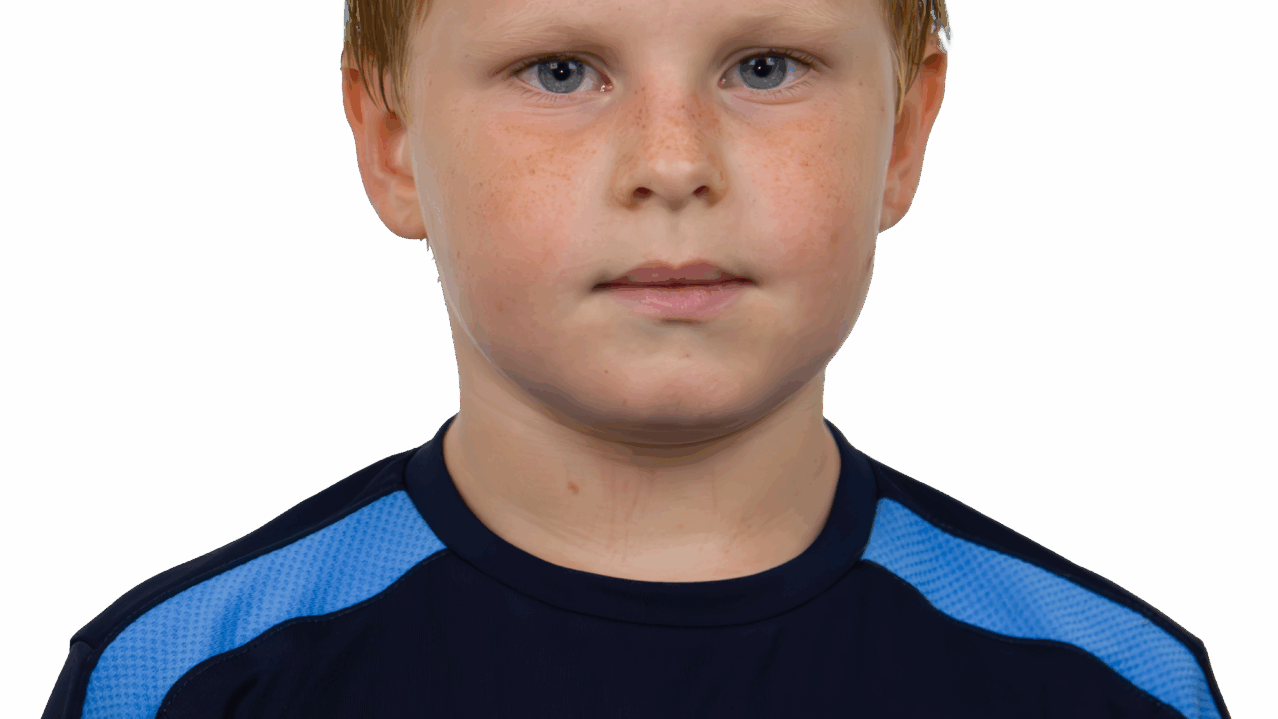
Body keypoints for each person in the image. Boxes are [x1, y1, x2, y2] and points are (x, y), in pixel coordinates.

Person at [42, 1, 1231, 717]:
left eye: (765, 66)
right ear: (392, 141)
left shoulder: (1109, 682)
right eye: (561, 69)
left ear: (906, 134)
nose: (672, 162)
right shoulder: (185, 677)